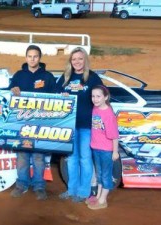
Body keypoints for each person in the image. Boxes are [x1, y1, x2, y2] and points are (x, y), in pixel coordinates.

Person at [9, 45, 56, 201]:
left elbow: (56, 99)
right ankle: (21, 184)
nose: (32, 59)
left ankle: (39, 186)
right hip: (21, 122)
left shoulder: (48, 76)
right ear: (26, 57)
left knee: (38, 157)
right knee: (22, 155)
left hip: (41, 123)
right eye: (30, 56)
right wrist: (12, 91)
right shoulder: (18, 75)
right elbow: (10, 93)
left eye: (35, 56)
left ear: (40, 58)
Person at [56, 47, 103, 203]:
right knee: (72, 158)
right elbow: (54, 97)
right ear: (70, 61)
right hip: (69, 125)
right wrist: (61, 97)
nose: (77, 61)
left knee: (85, 159)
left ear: (85, 60)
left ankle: (83, 192)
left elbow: (102, 98)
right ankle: (72, 190)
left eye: (80, 58)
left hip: (86, 126)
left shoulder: (93, 78)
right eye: (74, 59)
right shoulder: (65, 77)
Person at [86, 85, 119, 210]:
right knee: (99, 174)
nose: (95, 99)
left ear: (105, 97)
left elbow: (114, 135)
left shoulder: (108, 114)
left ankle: (103, 200)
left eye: (98, 96)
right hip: (96, 147)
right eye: (93, 96)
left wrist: (115, 151)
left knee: (105, 175)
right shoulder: (95, 108)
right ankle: (98, 195)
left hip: (106, 150)